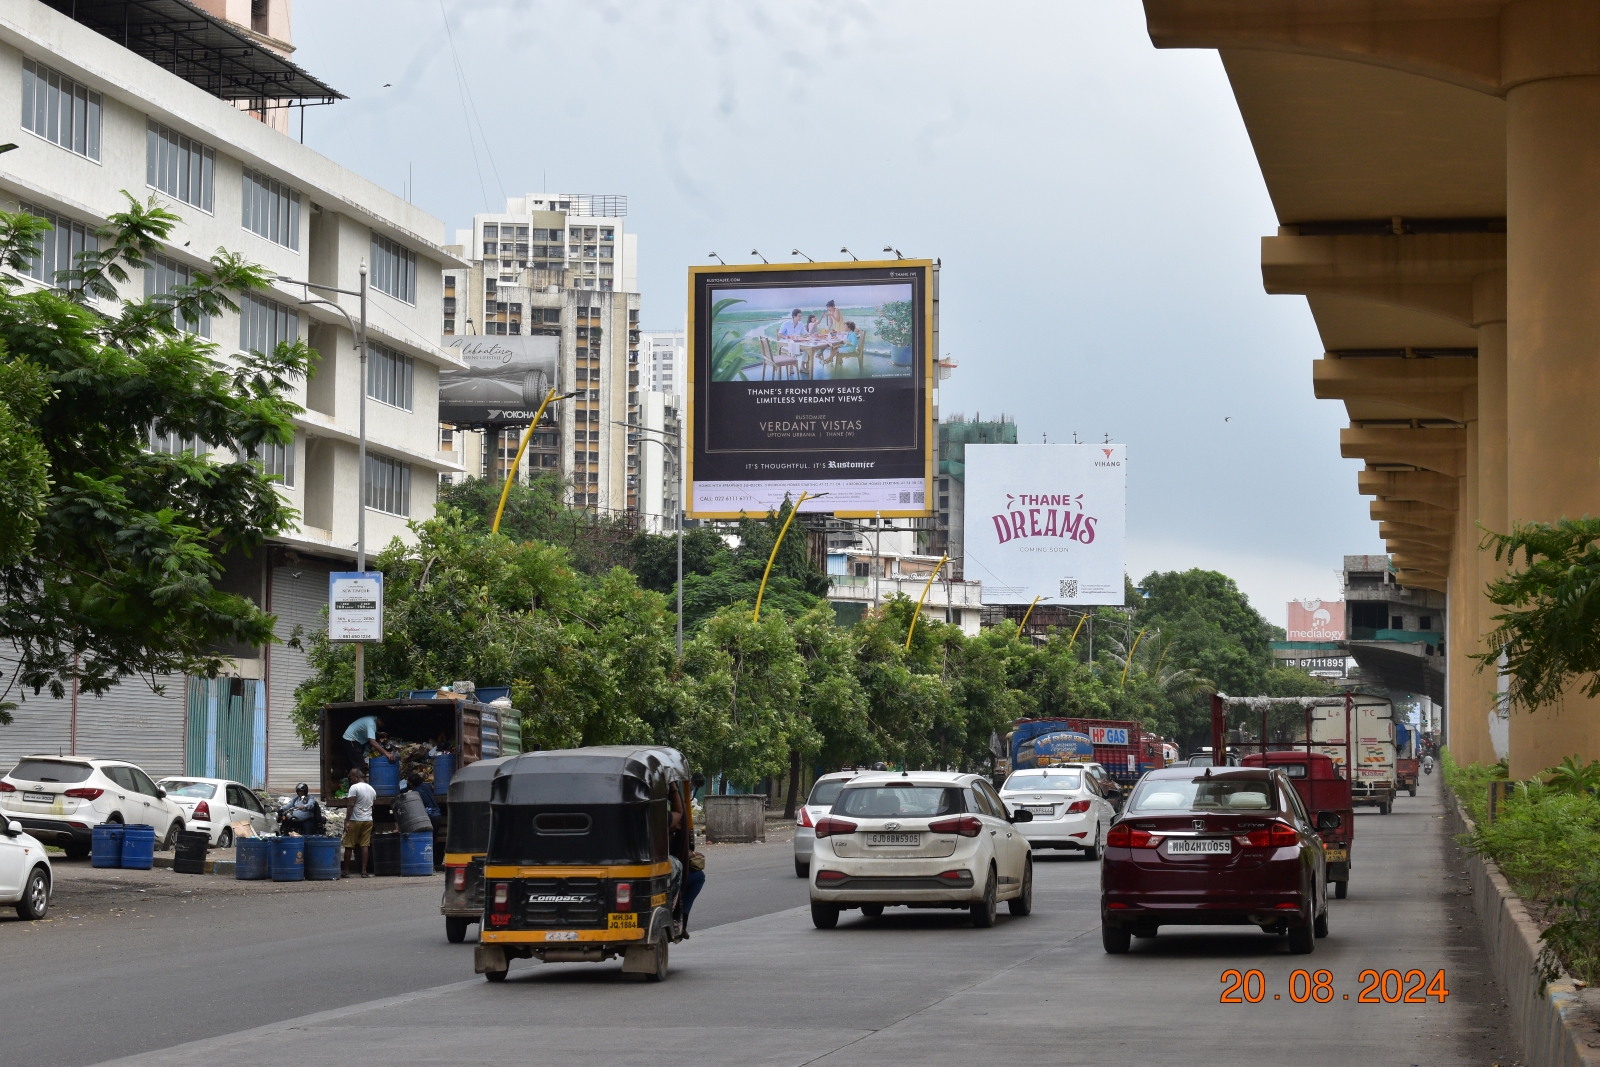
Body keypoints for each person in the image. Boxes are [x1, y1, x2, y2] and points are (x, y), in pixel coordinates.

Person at [343, 768, 377, 877]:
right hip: (368, 820)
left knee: (349, 845)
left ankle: (346, 871)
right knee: (365, 845)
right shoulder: (372, 789)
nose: (351, 780)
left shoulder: (354, 788)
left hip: (355, 820)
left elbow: (351, 805)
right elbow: (372, 806)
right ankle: (363, 871)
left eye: (351, 777)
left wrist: (347, 820)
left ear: (357, 777)